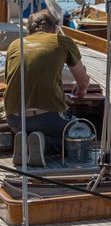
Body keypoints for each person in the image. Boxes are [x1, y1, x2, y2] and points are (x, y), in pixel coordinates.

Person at [4, 9, 91, 165]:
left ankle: (24, 142)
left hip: (14, 119)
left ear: (29, 30)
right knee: (82, 135)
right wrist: (82, 90)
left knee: (32, 128)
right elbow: (83, 82)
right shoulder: (62, 41)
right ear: (55, 28)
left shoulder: (14, 45)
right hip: (48, 118)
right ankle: (43, 144)